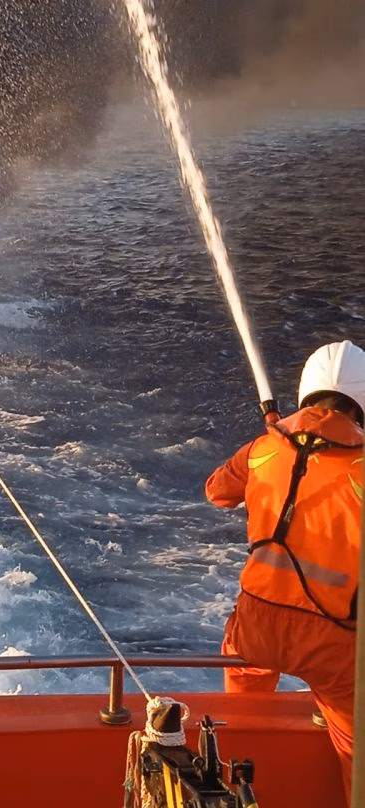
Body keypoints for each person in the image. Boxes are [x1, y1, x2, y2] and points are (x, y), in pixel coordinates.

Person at [206, 339, 364, 806]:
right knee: (357, 752)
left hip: (255, 630)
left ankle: (236, 782)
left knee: (241, 720)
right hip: (333, 643)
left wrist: (278, 440)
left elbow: (217, 490)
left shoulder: (262, 450)